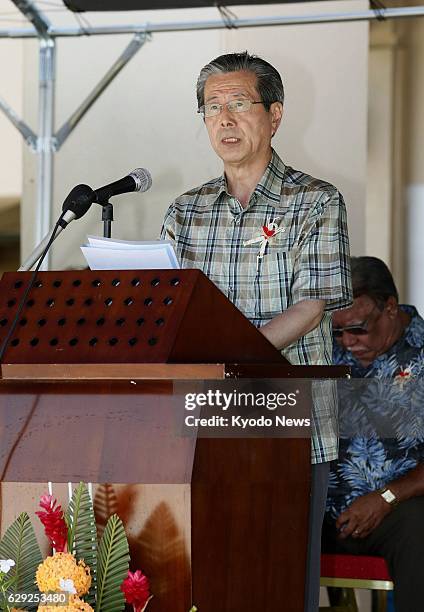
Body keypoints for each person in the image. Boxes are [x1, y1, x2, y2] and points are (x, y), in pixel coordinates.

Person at [161, 51, 352, 611]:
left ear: (275, 114)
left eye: (238, 104)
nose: (224, 119)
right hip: (205, 421)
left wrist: (235, 355)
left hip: (290, 421)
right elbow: (175, 313)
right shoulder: (185, 211)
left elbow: (313, 305)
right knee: (207, 578)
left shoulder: (315, 201)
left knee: (282, 582)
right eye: (211, 107)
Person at [322, 256, 424, 612]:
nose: (347, 342)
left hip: (399, 513)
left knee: (419, 527)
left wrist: (386, 499)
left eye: (359, 329)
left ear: (390, 308)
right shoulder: (323, 352)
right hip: (322, 511)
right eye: (338, 331)